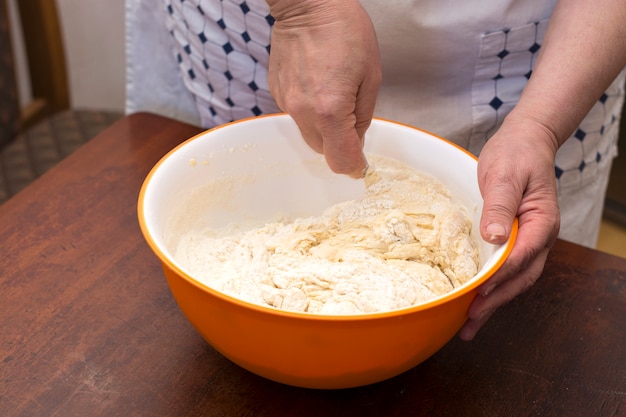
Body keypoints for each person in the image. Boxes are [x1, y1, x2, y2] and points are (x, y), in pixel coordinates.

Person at [126, 0, 626, 340]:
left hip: (536, 60)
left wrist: (538, 126)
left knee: (529, 327)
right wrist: (303, 9)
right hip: (261, 32)